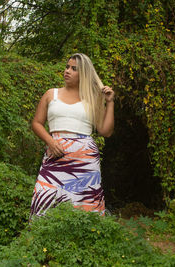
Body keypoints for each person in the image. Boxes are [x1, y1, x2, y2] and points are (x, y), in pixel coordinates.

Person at [29, 53, 114, 218]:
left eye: (74, 69)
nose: (67, 71)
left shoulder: (92, 98)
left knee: (85, 206)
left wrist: (110, 102)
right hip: (55, 156)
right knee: (45, 198)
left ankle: (86, 242)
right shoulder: (50, 94)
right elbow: (36, 123)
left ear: (84, 74)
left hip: (85, 161)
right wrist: (50, 141)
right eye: (67, 67)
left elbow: (105, 131)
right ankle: (41, 242)